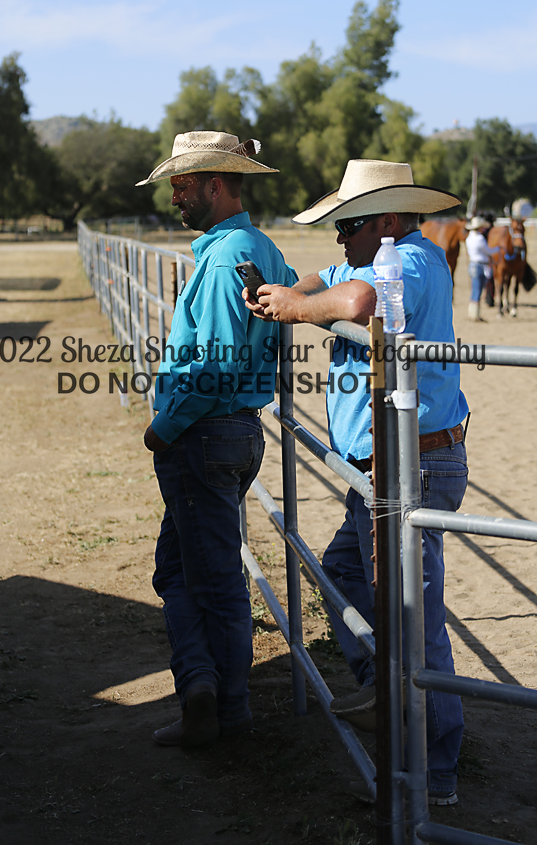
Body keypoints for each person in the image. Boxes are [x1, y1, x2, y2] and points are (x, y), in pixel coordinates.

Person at [244, 159, 469, 806]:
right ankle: (387, 690)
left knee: (414, 615)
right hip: (383, 466)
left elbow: (360, 303)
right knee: (345, 572)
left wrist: (295, 309)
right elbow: (324, 280)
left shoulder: (411, 262)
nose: (341, 238)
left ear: (388, 221)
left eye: (350, 225)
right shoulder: (379, 259)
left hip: (409, 465)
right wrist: (285, 294)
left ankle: (434, 769)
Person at [138, 131, 297, 747]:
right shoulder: (261, 249)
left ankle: (223, 710)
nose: (174, 196)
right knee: (182, 568)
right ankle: (202, 687)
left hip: (204, 431)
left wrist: (164, 428)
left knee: (210, 579)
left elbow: (216, 363)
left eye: (182, 185)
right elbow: (290, 298)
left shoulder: (226, 257)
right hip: (236, 430)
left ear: (214, 184)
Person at [465, 216, 498, 320]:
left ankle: (472, 313)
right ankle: (475, 315)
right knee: (478, 290)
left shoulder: (469, 238)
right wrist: (498, 249)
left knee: (474, 289)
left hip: (472, 264)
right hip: (479, 265)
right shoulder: (480, 238)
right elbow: (488, 251)